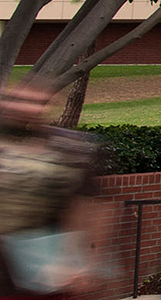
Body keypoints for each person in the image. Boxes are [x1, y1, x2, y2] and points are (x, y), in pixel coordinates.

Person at [0, 81, 105, 299]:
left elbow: (89, 209)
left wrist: (84, 262)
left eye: (37, 102)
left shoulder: (70, 150)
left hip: (41, 273)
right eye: (21, 101)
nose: (28, 109)